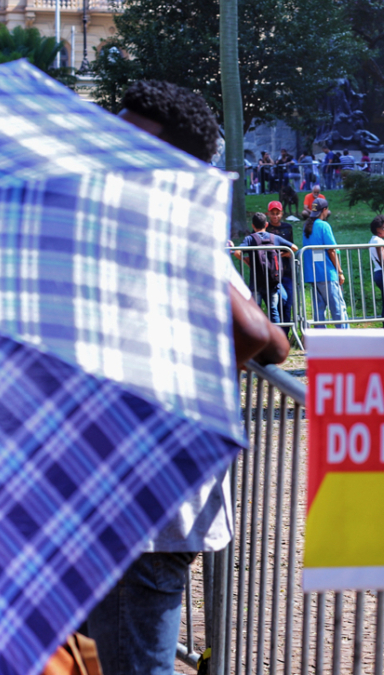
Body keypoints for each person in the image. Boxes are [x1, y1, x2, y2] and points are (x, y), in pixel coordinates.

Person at [93, 79, 288, 675]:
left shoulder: (164, 224)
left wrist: (183, 386)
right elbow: (269, 340)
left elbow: (256, 334)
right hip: (128, 498)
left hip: (144, 505)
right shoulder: (144, 222)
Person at [240, 212, 296, 324]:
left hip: (256, 282)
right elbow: (294, 247)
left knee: (256, 310)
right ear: (266, 224)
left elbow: (237, 252)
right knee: (273, 310)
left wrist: (247, 262)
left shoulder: (250, 239)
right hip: (272, 280)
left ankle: (257, 338)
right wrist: (281, 255)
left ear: (253, 226)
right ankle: (276, 337)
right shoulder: (274, 238)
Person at [301, 197, 349, 327]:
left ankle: (321, 341)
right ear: (325, 210)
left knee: (319, 311)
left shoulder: (306, 226)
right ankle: (346, 339)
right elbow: (331, 251)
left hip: (313, 274)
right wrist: (340, 272)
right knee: (338, 308)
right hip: (327, 273)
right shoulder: (324, 225)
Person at [266, 201, 297, 329]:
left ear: (282, 214)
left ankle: (286, 333)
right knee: (276, 304)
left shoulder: (287, 227)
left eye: (277, 213)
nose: (275, 216)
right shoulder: (264, 228)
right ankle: (276, 333)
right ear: (268, 214)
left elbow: (292, 248)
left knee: (288, 303)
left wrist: (285, 254)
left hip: (287, 271)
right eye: (272, 214)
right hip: (271, 272)